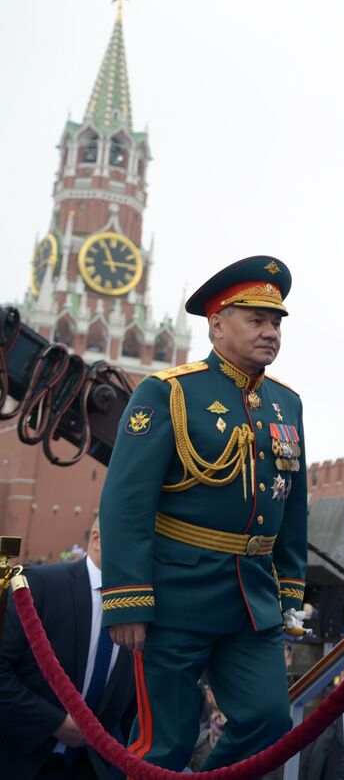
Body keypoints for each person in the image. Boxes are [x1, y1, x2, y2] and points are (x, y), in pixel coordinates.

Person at [99, 255, 308, 770]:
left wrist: (290, 590)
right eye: (256, 320)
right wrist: (127, 599)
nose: (270, 332)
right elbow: (126, 502)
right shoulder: (169, 392)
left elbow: (293, 503)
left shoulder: (287, 404)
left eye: (276, 322)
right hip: (176, 599)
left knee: (269, 723)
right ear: (216, 324)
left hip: (251, 602)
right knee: (161, 745)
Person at [0, 516, 135, 780]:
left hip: (94, 768)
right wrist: (55, 724)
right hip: (20, 759)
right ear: (96, 540)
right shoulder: (37, 586)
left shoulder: (144, 612)